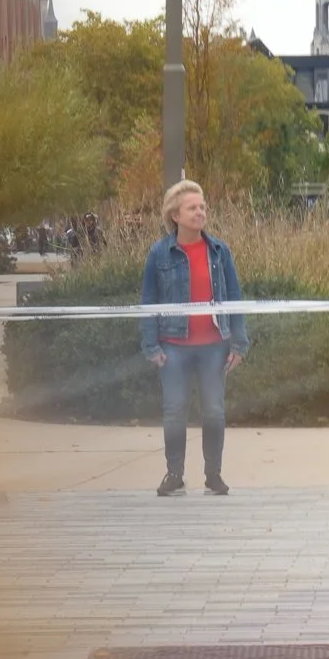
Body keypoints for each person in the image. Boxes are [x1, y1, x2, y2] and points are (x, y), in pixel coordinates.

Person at [139, 180, 249, 497]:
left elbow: (235, 298)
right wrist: (151, 346)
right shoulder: (159, 254)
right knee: (175, 410)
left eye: (202, 207)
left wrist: (239, 343)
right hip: (173, 347)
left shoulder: (219, 251)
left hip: (214, 346)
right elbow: (149, 301)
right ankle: (174, 473)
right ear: (175, 215)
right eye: (193, 208)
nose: (200, 212)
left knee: (214, 410)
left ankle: (213, 474)